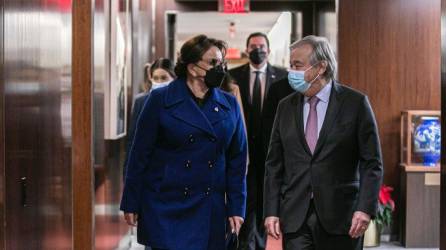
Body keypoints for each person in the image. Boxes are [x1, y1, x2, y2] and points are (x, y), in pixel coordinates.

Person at [120, 34, 248, 250]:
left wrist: (237, 207)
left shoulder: (229, 104)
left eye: (222, 63)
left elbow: (237, 161)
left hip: (210, 207)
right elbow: (140, 154)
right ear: (192, 67)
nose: (220, 69)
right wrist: (131, 201)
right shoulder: (160, 100)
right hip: (168, 205)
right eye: (213, 63)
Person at [263, 35, 383, 250]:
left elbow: (371, 162)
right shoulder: (285, 107)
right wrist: (271, 211)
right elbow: (274, 164)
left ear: (320, 67)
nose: (291, 71)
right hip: (294, 216)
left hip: (342, 217)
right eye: (290, 65)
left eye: (297, 65)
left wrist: (365, 208)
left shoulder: (355, 104)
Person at [228, 32, 289, 250]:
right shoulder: (233, 77)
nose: (258, 50)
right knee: (244, 200)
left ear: (269, 50)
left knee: (265, 202)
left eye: (262, 46)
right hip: (242, 151)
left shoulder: (283, 77)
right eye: (253, 46)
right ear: (246, 50)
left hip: (270, 152)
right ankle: (244, 243)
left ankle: (261, 243)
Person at [124, 59, 176, 179]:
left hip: (174, 169)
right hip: (148, 169)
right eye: (155, 78)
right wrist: (127, 173)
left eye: (164, 78)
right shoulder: (141, 101)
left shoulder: (182, 102)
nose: (159, 82)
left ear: (174, 79)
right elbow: (133, 140)